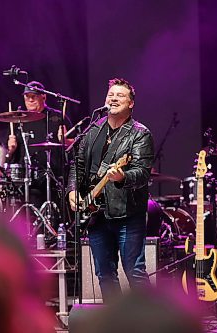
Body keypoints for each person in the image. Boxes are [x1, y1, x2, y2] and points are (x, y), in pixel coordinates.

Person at [67, 78, 154, 302]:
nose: (113, 98)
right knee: (104, 274)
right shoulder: (93, 131)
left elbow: (142, 173)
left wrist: (122, 176)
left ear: (131, 103)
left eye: (120, 95)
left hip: (127, 214)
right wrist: (73, 190)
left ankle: (151, 323)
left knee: (134, 272)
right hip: (96, 214)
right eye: (110, 95)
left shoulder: (139, 134)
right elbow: (76, 165)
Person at [6, 81, 72, 229]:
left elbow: (75, 145)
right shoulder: (18, 120)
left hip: (54, 175)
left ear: (43, 97)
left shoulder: (57, 117)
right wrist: (11, 148)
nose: (30, 100)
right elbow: (8, 155)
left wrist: (65, 140)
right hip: (29, 177)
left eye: (33, 96)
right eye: (27, 97)